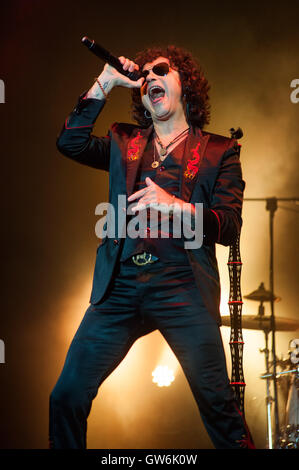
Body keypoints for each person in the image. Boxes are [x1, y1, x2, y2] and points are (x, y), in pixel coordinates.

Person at [49, 45, 255, 449]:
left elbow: (228, 227)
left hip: (182, 286)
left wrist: (178, 207)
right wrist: (106, 80)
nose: (150, 79)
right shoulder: (123, 140)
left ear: (186, 85)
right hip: (119, 287)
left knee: (218, 406)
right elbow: (69, 142)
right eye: (144, 76)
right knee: (66, 396)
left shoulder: (218, 151)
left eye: (161, 70)